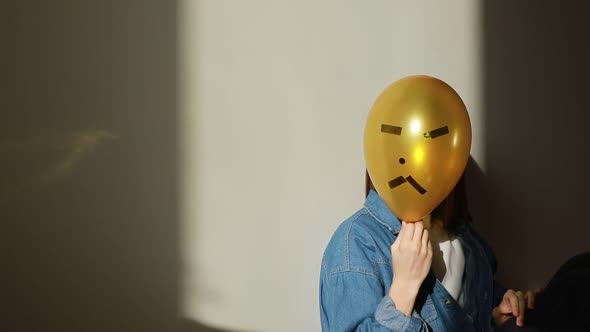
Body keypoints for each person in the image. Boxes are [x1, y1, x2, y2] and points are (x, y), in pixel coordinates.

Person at [319, 171, 541, 331]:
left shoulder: (465, 236)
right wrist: (404, 289)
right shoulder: (356, 242)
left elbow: (471, 308)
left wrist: (496, 313)